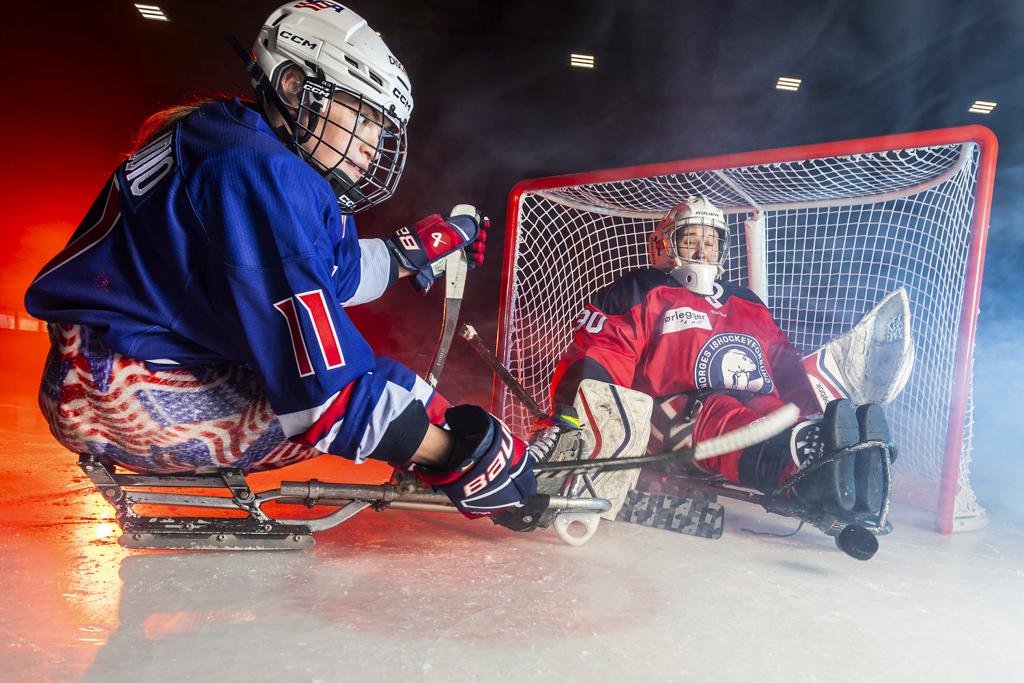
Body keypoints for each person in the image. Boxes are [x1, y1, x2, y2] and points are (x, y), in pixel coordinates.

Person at [24, 1, 539, 525]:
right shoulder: (257, 172)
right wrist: (458, 457)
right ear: (294, 84)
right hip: (121, 397)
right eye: (362, 119)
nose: (370, 149)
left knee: (384, 394)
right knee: (373, 389)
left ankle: (446, 459)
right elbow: (324, 398)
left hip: (99, 374)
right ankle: (483, 479)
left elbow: (331, 271)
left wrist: (422, 249)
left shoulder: (230, 135)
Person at [548, 196, 891, 516]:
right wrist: (570, 425)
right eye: (690, 240)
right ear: (664, 244)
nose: (701, 251)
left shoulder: (747, 303)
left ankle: (844, 463)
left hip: (749, 403)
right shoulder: (641, 289)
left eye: (710, 242)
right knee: (728, 417)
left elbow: (784, 365)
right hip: (670, 415)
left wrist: (816, 414)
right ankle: (798, 474)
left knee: (779, 417)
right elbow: (600, 355)